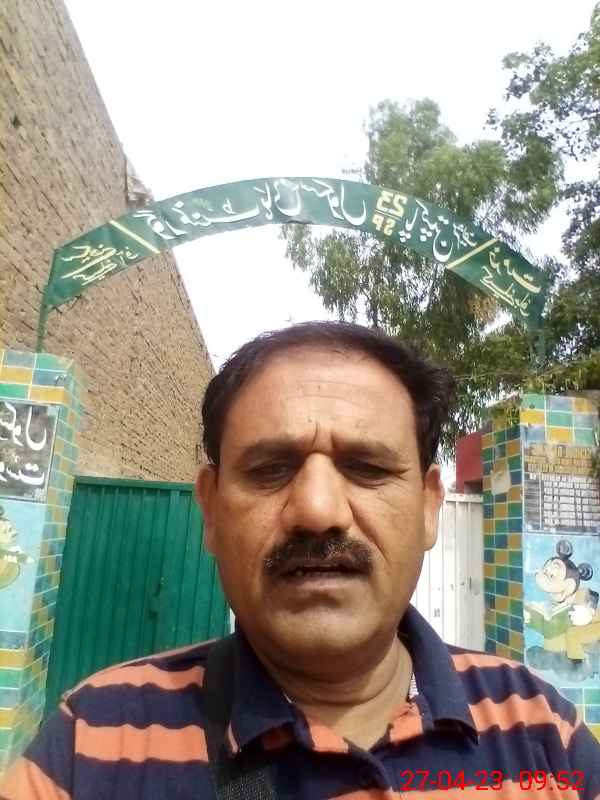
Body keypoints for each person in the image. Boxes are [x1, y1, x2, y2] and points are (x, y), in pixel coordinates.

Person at [2, 321, 599, 799]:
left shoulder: (544, 733)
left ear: (427, 507)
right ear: (211, 509)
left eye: (367, 467)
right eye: (270, 469)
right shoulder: (93, 743)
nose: (317, 510)